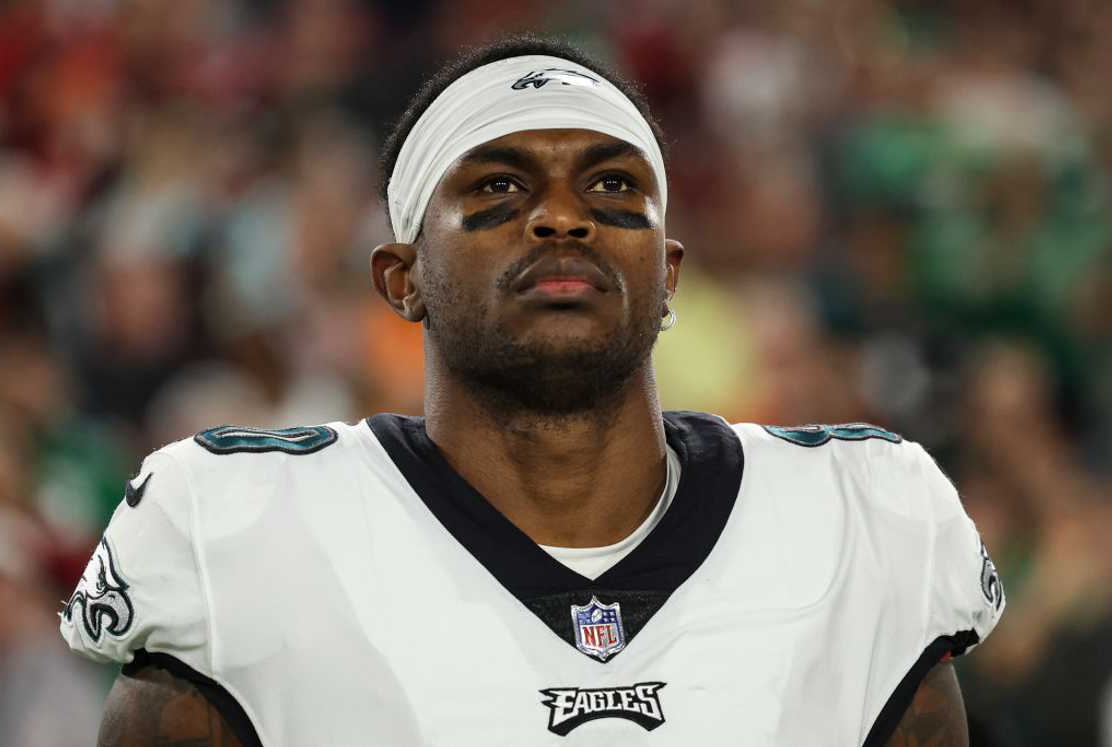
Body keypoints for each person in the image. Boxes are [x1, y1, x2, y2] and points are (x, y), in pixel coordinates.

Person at [60, 36, 1004, 746]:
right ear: (402, 277)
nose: (563, 215)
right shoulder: (236, 530)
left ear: (669, 272)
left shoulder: (867, 518)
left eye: (613, 188)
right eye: (501, 189)